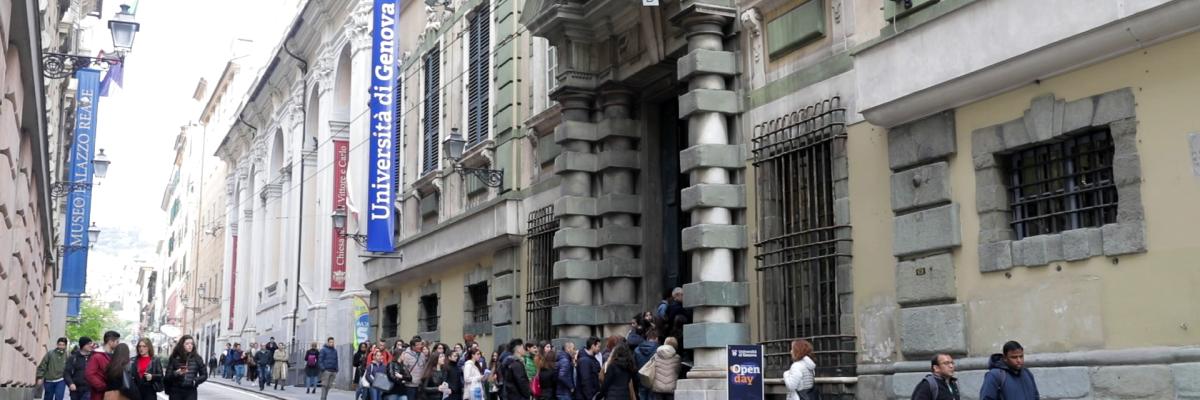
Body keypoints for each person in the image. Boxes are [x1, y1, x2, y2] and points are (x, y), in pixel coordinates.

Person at [165, 335, 207, 400]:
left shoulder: (197, 358)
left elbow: (204, 375)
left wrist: (195, 381)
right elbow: (167, 377)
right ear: (182, 345)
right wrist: (177, 373)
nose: (190, 345)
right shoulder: (174, 358)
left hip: (191, 391)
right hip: (176, 391)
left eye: (191, 343)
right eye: (187, 343)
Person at [85, 331, 122, 400]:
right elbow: (89, 374)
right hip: (99, 395)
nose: (118, 344)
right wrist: (103, 386)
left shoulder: (112, 355)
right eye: (117, 342)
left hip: (109, 394)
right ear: (110, 342)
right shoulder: (97, 356)